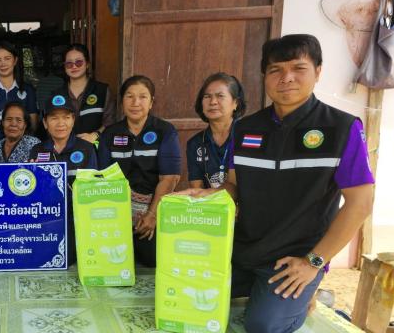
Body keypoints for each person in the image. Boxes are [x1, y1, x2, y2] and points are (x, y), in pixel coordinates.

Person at [183, 34, 375, 333]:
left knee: (264, 328)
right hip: (243, 249)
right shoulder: (245, 129)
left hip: (296, 257)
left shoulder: (341, 128)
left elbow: (360, 204)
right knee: (186, 296)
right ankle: (274, 294)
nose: (286, 78)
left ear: (318, 71)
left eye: (298, 68)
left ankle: (307, 291)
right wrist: (210, 195)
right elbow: (234, 184)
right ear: (265, 76)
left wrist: (313, 263)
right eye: (275, 70)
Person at [98, 75, 181, 267]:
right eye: (129, 96)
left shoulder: (165, 131)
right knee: (108, 258)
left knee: (151, 259)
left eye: (143, 97)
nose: (136, 103)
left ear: (151, 102)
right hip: (118, 211)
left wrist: (152, 215)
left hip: (151, 208)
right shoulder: (110, 134)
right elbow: (104, 177)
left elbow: (170, 178)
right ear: (122, 102)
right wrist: (117, 217)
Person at [29, 95, 98, 264]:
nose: (61, 123)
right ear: (45, 123)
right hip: (47, 220)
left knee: (69, 256)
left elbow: (93, 191)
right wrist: (32, 175)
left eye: (66, 117)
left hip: (77, 220)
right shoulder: (37, 151)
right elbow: (32, 194)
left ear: (73, 120)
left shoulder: (86, 149)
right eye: (54, 118)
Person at [186, 73, 246, 188]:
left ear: (235, 103)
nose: (213, 102)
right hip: (208, 199)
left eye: (220, 96)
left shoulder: (247, 137)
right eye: (207, 96)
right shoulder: (195, 143)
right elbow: (197, 188)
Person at [49, 44, 119, 143]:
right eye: (69, 63)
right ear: (64, 66)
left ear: (87, 64)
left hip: (96, 147)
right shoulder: (57, 95)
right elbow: (51, 124)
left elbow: (110, 122)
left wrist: (95, 135)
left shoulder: (102, 90)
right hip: (66, 148)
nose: (74, 66)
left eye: (79, 62)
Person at [0, 42, 39, 145]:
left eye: (7, 58)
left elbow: (33, 125)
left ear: (15, 60)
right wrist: (0, 150)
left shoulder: (28, 90)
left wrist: (19, 149)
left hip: (23, 148)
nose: (3, 64)